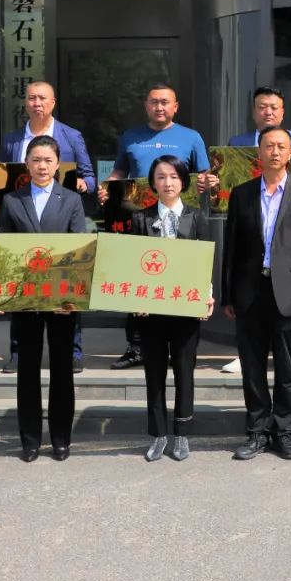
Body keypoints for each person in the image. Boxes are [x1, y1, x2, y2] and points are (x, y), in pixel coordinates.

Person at [222, 126, 291, 461]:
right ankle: (257, 431)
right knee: (252, 367)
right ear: (259, 152)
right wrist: (228, 295)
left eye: (281, 146)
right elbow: (231, 249)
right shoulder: (242, 194)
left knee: (286, 367)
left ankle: (285, 431)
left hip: (288, 292)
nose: (275, 151)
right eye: (269, 146)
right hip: (250, 291)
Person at [100, 83, 211, 370]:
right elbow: (119, 171)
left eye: (165, 102)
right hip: (140, 220)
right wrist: (107, 187)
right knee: (139, 278)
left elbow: (205, 174)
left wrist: (209, 182)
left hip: (180, 222)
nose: (159, 107)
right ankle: (135, 347)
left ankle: (179, 348)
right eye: (154, 102)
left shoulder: (191, 137)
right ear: (146, 106)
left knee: (178, 278)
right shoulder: (131, 136)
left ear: (175, 106)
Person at [213, 85, 291, 375]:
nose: (268, 112)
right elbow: (228, 182)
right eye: (262, 107)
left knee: (286, 359)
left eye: (274, 107)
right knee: (252, 351)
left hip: (288, 225)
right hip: (251, 223)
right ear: (253, 111)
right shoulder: (238, 142)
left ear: (283, 112)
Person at [0, 135, 88, 462]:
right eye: (36, 160)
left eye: (48, 160)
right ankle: (30, 439)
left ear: (58, 163)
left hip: (61, 298)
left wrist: (71, 296)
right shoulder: (12, 201)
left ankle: (61, 438)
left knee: (62, 369)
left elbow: (79, 249)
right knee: (28, 369)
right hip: (26, 297)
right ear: (26, 163)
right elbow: (5, 250)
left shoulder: (71, 200)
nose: (42, 166)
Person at [0, 81, 96, 375]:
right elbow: (2, 176)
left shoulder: (71, 136)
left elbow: (90, 178)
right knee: (23, 297)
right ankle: (18, 353)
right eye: (31, 98)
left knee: (66, 295)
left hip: (61, 222)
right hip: (22, 217)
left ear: (53, 102)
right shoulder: (12, 140)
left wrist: (82, 185)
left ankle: (73, 351)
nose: (36, 103)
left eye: (42, 98)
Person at [131, 155, 215, 462]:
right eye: (161, 177)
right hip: (151, 311)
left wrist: (206, 296)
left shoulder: (196, 217)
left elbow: (205, 263)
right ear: (153, 183)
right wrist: (135, 300)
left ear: (184, 181)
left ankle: (181, 433)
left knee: (184, 371)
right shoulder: (140, 219)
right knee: (154, 373)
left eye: (174, 176)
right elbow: (132, 264)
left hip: (185, 308)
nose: (168, 183)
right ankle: (158, 434)